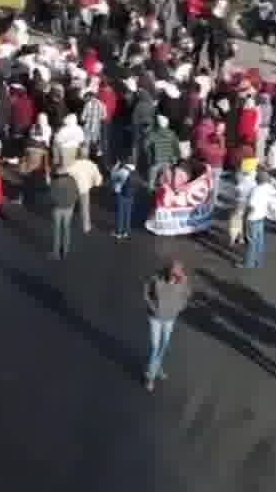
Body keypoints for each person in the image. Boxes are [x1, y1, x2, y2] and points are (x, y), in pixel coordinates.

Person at [144, 260, 192, 392]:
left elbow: (187, 295)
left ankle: (158, 366)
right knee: (155, 347)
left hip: (170, 318)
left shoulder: (182, 281)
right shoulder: (156, 279)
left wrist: (178, 308)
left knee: (164, 344)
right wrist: (153, 308)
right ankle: (150, 377)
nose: (174, 278)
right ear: (168, 272)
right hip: (155, 318)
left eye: (177, 276)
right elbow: (146, 292)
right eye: (173, 275)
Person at [241, 170, 274, 269]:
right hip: (261, 217)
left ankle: (248, 263)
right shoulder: (269, 188)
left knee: (251, 242)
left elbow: (251, 206)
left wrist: (245, 217)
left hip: (252, 218)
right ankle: (259, 261)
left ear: (257, 180)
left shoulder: (256, 190)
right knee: (260, 241)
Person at [66, 155, 103, 233]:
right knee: (85, 208)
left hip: (73, 188)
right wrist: (93, 183)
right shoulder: (91, 164)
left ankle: (66, 224)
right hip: (84, 189)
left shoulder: (72, 163)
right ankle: (85, 227)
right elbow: (98, 180)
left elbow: (67, 174)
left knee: (69, 207)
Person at [111, 162, 139, 239]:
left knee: (120, 213)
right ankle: (126, 232)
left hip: (121, 194)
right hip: (131, 195)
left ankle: (118, 233)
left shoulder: (122, 171)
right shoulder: (134, 170)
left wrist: (115, 168)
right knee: (128, 213)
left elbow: (113, 177)